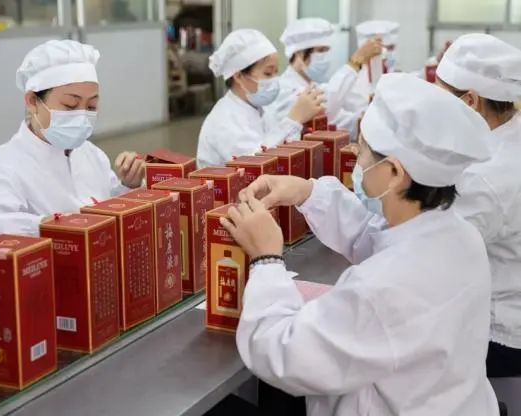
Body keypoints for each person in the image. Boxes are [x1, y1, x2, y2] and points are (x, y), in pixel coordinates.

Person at [220, 73, 498, 415]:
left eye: (364, 150)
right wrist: (306, 192)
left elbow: (282, 354)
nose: (355, 156)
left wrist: (266, 259)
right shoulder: (457, 235)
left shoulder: (381, 288)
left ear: (395, 172)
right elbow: (375, 236)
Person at [0, 39, 144, 244]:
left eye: (91, 107)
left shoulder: (92, 155)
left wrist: (128, 185)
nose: (82, 116)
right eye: (70, 105)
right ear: (32, 101)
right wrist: (46, 226)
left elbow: (106, 205)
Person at [435, 33, 521, 378]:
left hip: (499, 336)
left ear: (469, 101)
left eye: (439, 97)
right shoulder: (508, 137)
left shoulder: (487, 178)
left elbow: (431, 254)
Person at [196, 29, 323, 168]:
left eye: (275, 72)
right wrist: (293, 120)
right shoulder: (224, 119)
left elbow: (279, 148)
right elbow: (254, 167)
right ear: (238, 76)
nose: (274, 80)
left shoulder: (261, 108)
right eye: (268, 73)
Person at [265, 18, 382, 129]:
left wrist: (363, 122)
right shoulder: (285, 89)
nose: (325, 57)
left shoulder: (313, 85)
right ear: (299, 53)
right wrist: (356, 61)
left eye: (327, 51)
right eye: (320, 50)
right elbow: (324, 108)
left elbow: (337, 120)